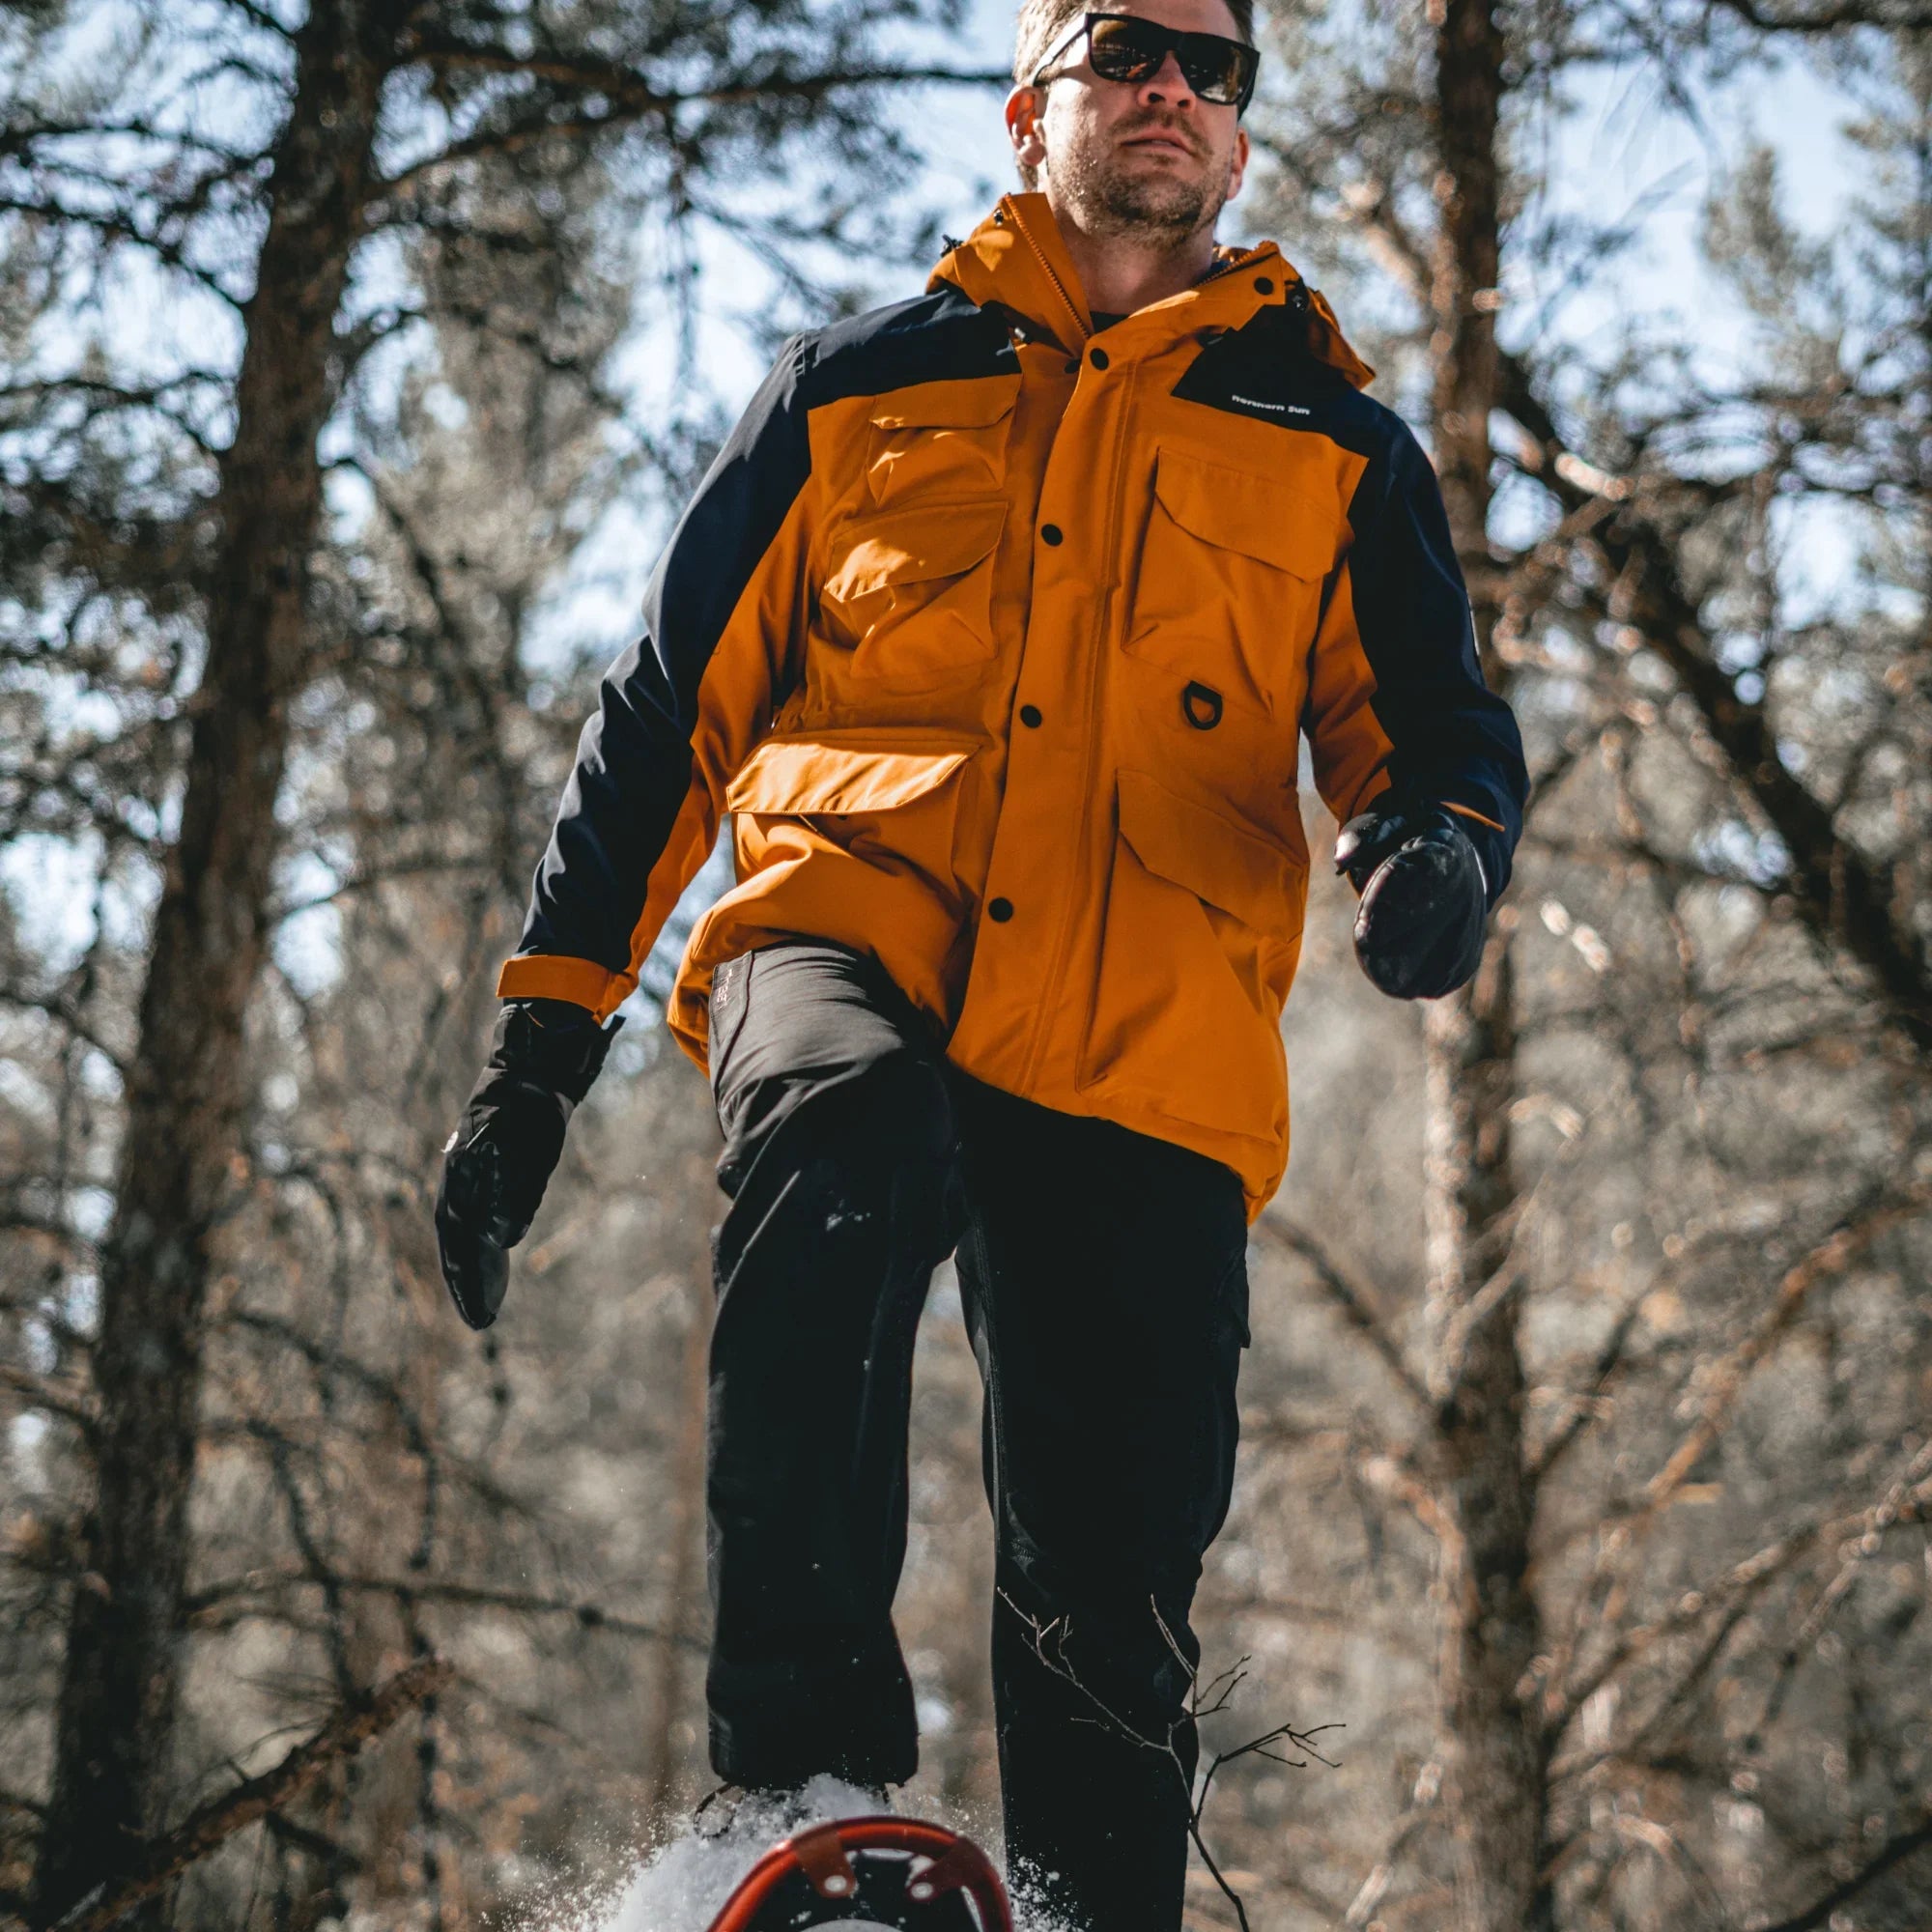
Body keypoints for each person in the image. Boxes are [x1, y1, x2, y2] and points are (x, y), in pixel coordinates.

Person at [435, 0, 1527, 1924]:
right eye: (1129, 49)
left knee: (1111, 1556)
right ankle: (808, 1806)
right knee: (841, 1138)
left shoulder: (1332, 443)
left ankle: (1092, 1902)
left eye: (1214, 67)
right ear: (1033, 108)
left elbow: (1432, 733)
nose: (1173, 87)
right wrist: (542, 1043)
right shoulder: (850, 388)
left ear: (1239, 137)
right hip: (848, 922)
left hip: (1150, 1024)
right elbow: (667, 719)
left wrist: (1442, 847)